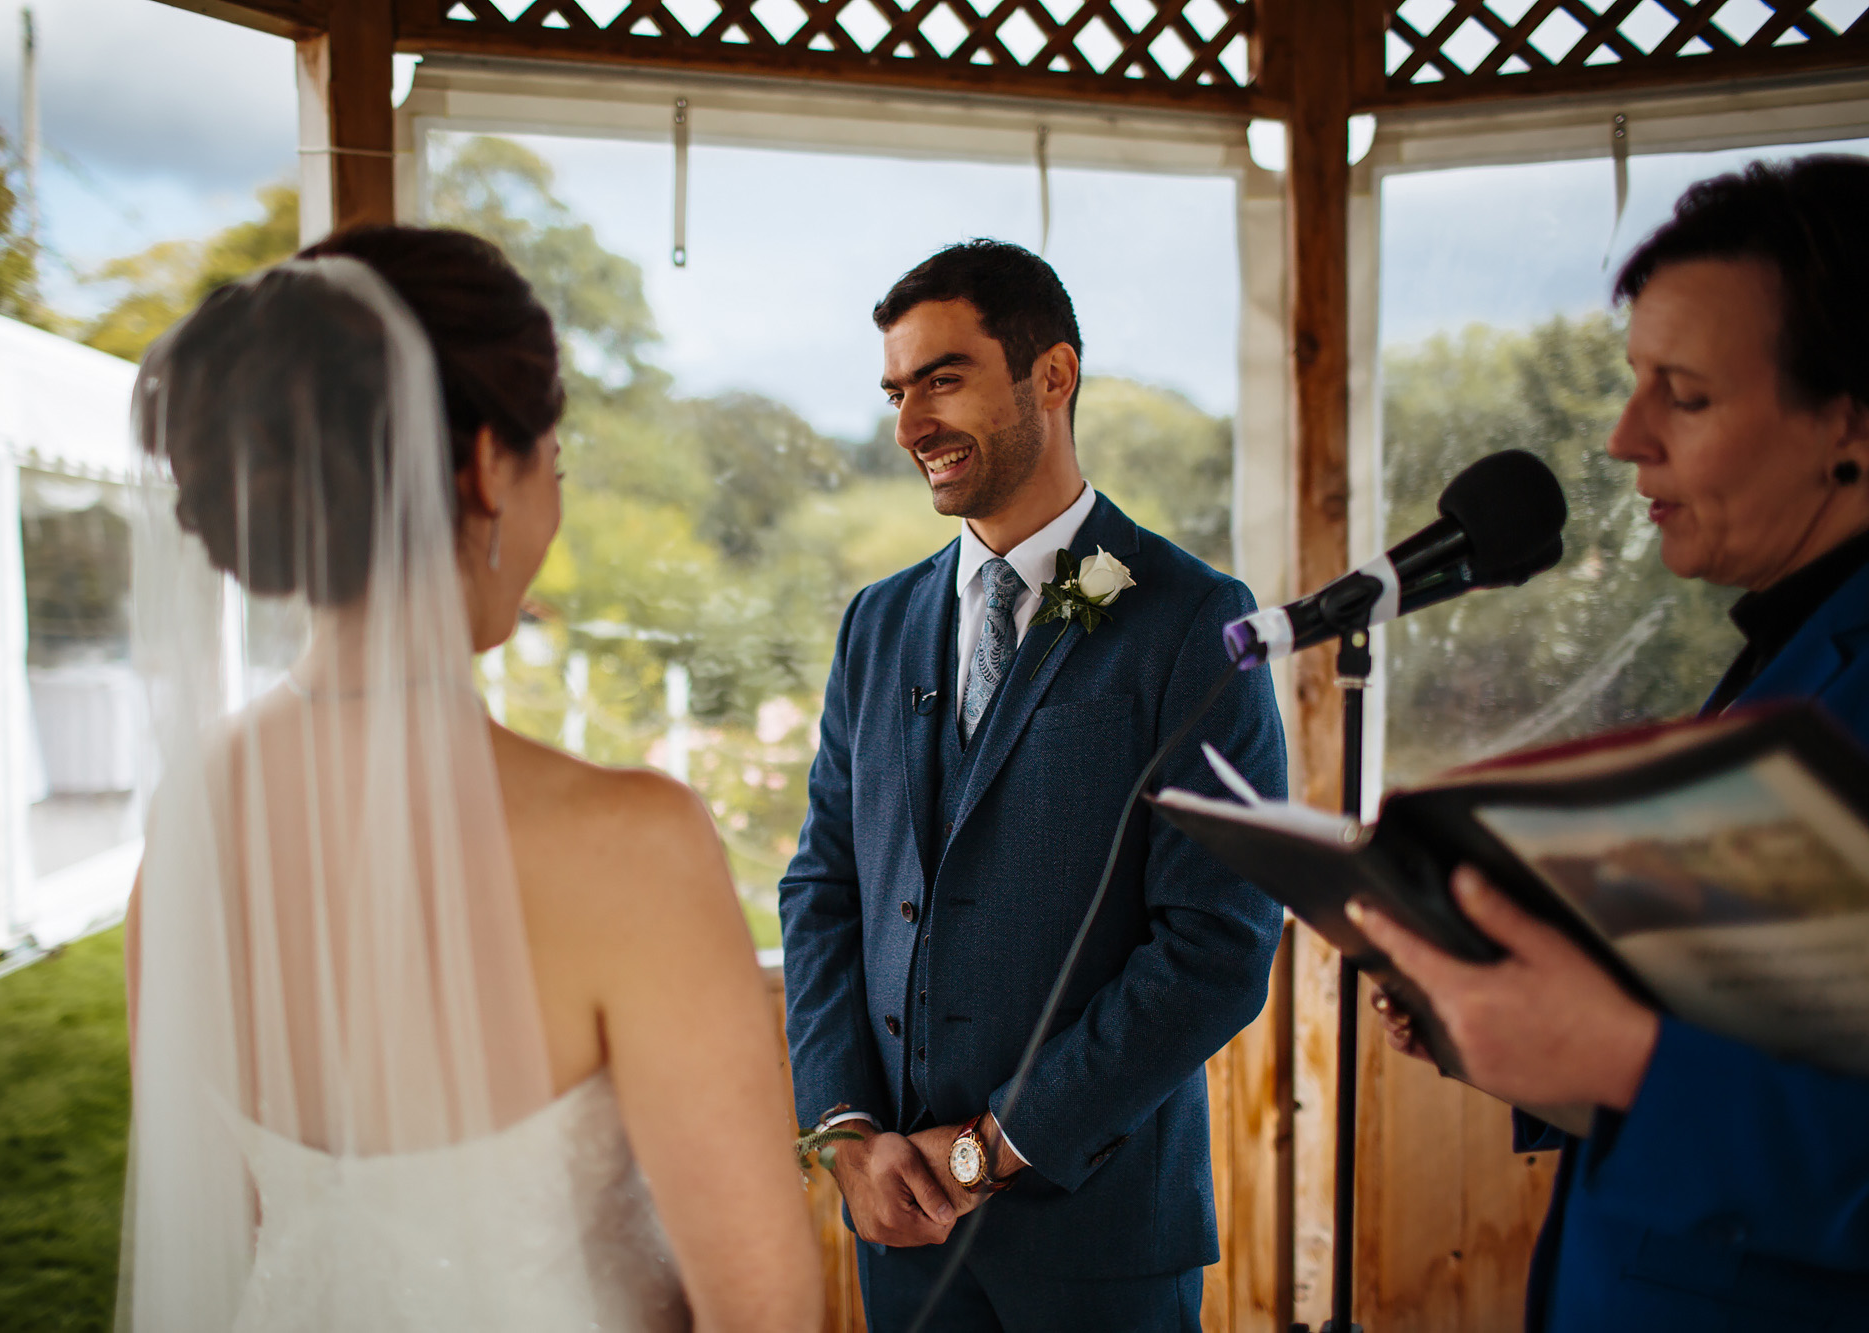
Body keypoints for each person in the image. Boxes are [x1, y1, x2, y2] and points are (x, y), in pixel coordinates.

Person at [119, 226, 820, 1332]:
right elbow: (764, 1310)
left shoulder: (195, 807)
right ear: (486, 462)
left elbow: (221, 1218)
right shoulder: (626, 845)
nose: (553, 499)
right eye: (556, 462)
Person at [1352, 155, 1869, 1330]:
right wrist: (1510, 1025)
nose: (1623, 437)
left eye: (1681, 395)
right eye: (1632, 384)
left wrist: (1613, 1053)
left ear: (1844, 419)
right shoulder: (1784, 648)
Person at [779, 239, 1286, 1331]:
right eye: (897, 391)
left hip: (1097, 1240)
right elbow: (822, 885)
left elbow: (1218, 943)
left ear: (1050, 376)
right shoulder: (876, 623)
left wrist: (993, 1149)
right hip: (901, 1239)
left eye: (942, 379)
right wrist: (844, 1133)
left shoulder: (1192, 620)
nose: (911, 424)